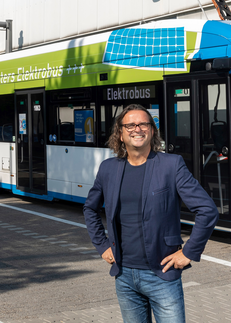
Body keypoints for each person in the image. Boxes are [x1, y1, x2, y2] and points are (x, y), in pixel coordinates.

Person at [83, 104, 218, 322]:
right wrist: (102, 245)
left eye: (144, 124)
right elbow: (90, 208)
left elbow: (207, 210)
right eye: (130, 125)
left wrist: (189, 252)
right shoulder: (108, 168)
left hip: (162, 274)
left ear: (152, 131)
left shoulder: (171, 165)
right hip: (124, 274)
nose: (137, 129)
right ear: (120, 133)